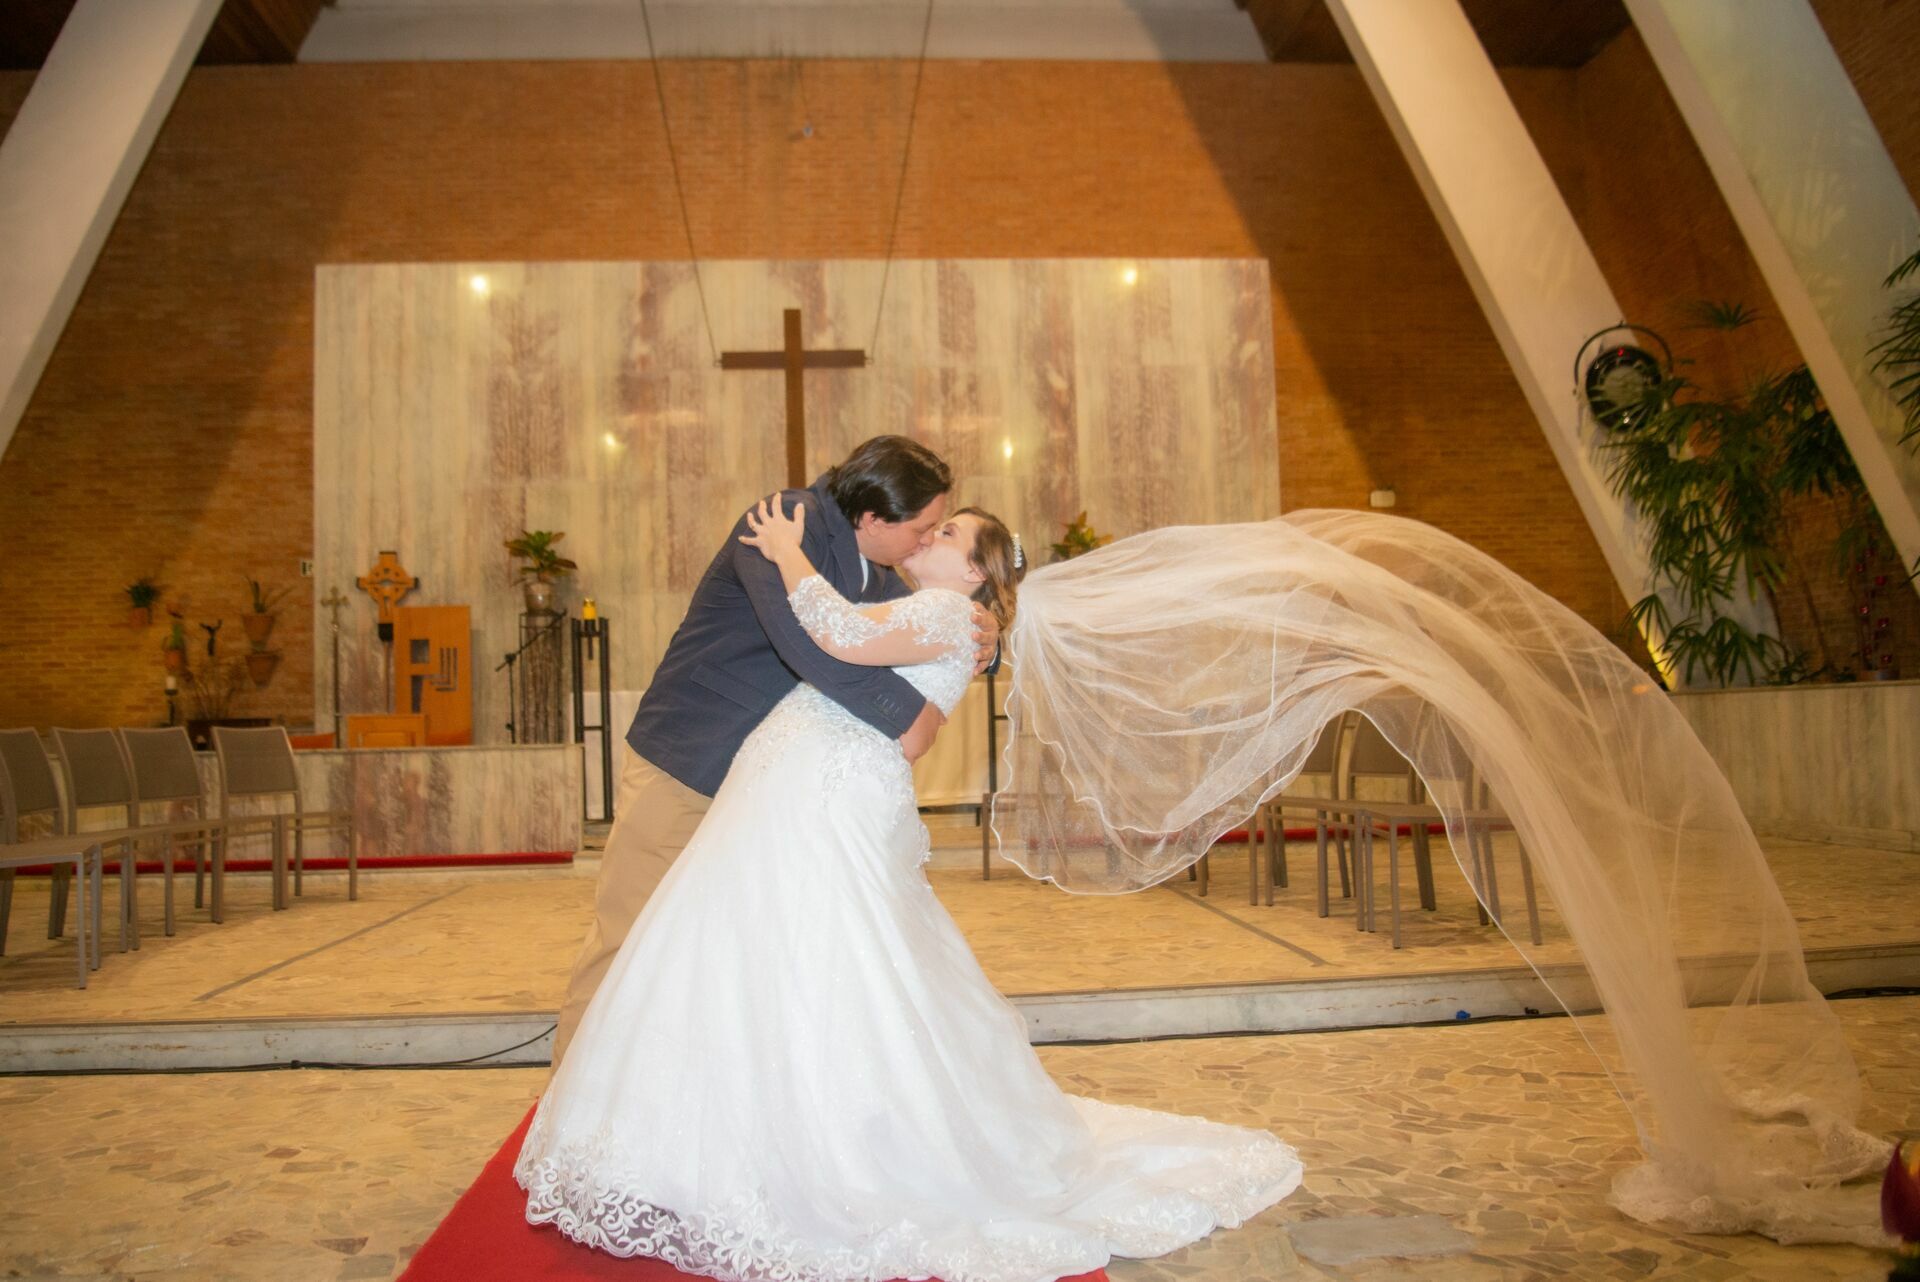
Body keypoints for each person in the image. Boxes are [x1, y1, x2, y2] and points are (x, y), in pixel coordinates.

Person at [516, 497, 1303, 1281]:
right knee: (778, 951)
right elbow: (892, 683)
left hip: (825, 797)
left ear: (975, 572)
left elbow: (839, 636)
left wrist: (787, 550)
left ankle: (809, 1140)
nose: (931, 535)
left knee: (816, 957)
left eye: (948, 532)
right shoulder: (933, 608)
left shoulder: (944, 611)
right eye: (931, 523)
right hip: (798, 786)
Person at [550, 436, 999, 1068]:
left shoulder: (876, 569)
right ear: (874, 519)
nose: (924, 542)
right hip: (692, 760)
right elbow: (812, 649)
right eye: (921, 529)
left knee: (710, 954)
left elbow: (917, 630)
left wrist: (985, 635)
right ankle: (569, 1093)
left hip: (762, 786)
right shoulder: (784, 524)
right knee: (628, 936)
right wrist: (914, 719)